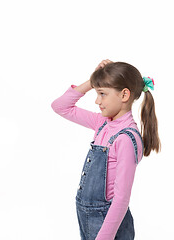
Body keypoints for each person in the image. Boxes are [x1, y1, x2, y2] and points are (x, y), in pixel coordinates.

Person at [51, 59, 161, 240]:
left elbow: (121, 199)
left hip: (107, 226)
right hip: (88, 217)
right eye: (96, 92)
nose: (96, 100)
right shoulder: (102, 123)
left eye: (102, 94)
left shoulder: (125, 137)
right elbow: (60, 106)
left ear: (124, 95)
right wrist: (92, 81)